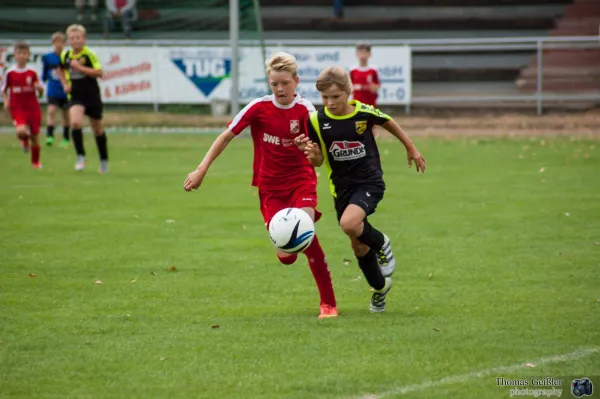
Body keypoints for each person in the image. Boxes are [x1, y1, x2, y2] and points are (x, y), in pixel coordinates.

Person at [183, 52, 338, 319]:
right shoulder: (258, 107)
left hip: (301, 183)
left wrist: (308, 150)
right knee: (287, 255)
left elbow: (319, 158)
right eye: (275, 84)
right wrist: (201, 169)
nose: (280, 89)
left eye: (285, 83)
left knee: (307, 235)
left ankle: (328, 304)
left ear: (296, 81)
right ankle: (290, 251)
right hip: (270, 189)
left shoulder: (308, 112)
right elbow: (225, 137)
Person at [295, 66, 426, 313]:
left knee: (348, 224)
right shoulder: (315, 120)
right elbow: (319, 160)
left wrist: (411, 148)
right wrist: (312, 156)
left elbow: (388, 122)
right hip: (341, 189)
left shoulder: (362, 113)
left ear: (348, 92)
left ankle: (383, 244)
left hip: (369, 182)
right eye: (324, 98)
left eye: (336, 96)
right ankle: (380, 289)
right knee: (357, 246)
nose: (330, 103)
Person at [57, 24, 109, 173]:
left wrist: (80, 68)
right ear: (68, 41)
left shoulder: (89, 55)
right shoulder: (65, 55)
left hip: (91, 95)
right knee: (75, 123)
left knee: (97, 129)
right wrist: (65, 84)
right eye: (72, 38)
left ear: (84, 39)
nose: (75, 41)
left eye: (78, 37)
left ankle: (103, 160)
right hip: (76, 96)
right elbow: (60, 69)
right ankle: (80, 156)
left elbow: (99, 73)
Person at [1, 41, 44, 168]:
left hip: (33, 107)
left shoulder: (33, 72)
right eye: (19, 53)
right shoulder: (10, 72)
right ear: (14, 55)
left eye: (24, 53)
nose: (22, 56)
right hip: (17, 107)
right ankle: (24, 140)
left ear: (28, 55)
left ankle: (35, 162)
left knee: (35, 137)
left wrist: (40, 90)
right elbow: (3, 89)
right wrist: (6, 101)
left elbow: (40, 93)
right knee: (21, 131)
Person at [42, 32, 70, 148]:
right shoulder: (48, 57)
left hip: (65, 89)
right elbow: (44, 72)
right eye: (56, 42)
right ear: (53, 43)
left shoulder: (67, 57)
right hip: (53, 89)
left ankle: (66, 138)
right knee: (51, 111)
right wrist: (42, 79)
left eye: (61, 42)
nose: (59, 44)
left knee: (66, 114)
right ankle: (50, 136)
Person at [350, 42, 380, 108]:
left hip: (370, 105)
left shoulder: (373, 70)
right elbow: (349, 87)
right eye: (360, 52)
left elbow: (377, 86)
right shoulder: (352, 70)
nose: (363, 55)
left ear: (369, 54)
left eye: (365, 53)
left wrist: (372, 87)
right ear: (356, 54)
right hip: (357, 105)